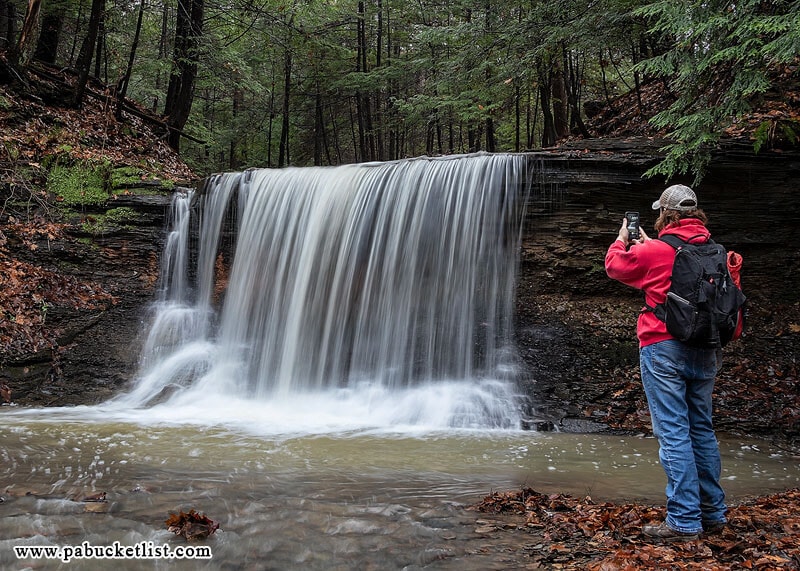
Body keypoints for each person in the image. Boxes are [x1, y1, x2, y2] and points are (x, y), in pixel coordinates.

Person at [605, 184, 728, 542]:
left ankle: (684, 521)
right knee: (701, 429)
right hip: (706, 348)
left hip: (663, 347)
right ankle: (713, 513)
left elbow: (615, 267)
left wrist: (621, 240)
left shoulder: (657, 250)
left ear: (666, 215)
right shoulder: (714, 250)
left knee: (673, 432)